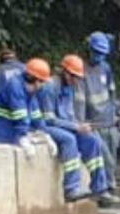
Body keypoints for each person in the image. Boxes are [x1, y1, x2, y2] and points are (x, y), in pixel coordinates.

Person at [33, 56, 113, 203]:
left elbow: (69, 115)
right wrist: (76, 127)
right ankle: (71, 189)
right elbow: (49, 118)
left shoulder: (69, 88)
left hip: (64, 125)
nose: (75, 80)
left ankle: (99, 187)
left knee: (92, 140)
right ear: (65, 72)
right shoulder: (49, 87)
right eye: (73, 76)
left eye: (77, 77)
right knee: (69, 140)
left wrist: (81, 126)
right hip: (45, 126)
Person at [0, 56, 47, 147]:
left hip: (1, 136)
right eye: (42, 82)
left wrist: (44, 134)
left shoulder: (30, 93)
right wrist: (22, 136)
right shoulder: (15, 86)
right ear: (37, 82)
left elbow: (36, 116)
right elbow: (20, 116)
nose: (42, 86)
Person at [79, 31, 120, 188]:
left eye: (102, 54)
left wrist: (117, 114)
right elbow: (79, 101)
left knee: (112, 158)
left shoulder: (106, 68)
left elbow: (112, 93)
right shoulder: (80, 69)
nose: (99, 57)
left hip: (109, 122)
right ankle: (105, 190)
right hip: (92, 124)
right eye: (96, 53)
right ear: (89, 49)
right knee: (105, 160)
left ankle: (109, 189)